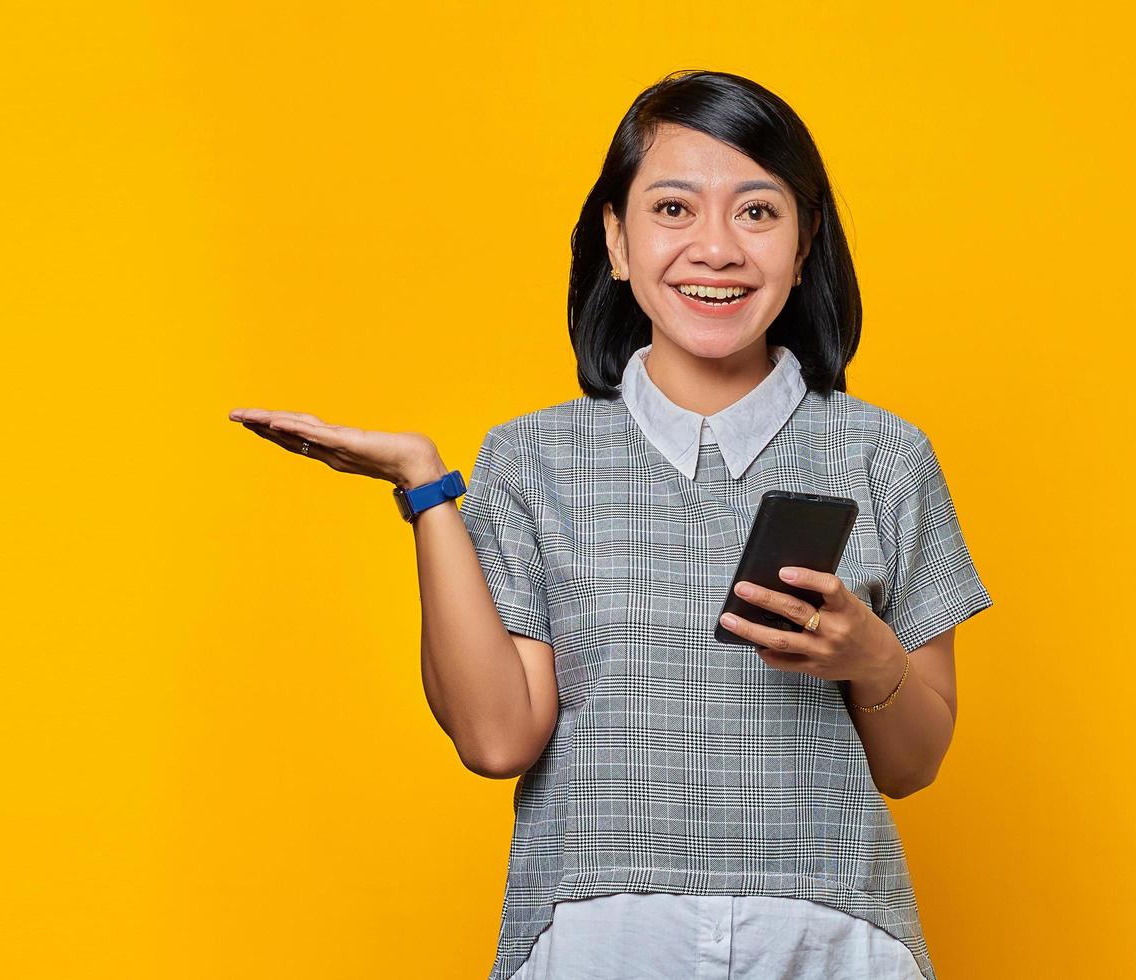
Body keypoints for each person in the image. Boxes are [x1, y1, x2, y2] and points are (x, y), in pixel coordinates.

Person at [227, 69, 994, 980]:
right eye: (674, 209)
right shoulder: (530, 458)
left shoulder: (885, 454)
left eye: (757, 212)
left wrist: (867, 654)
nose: (716, 247)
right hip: (602, 940)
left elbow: (914, 767)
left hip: (830, 938)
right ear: (617, 242)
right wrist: (426, 490)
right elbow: (498, 738)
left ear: (804, 244)